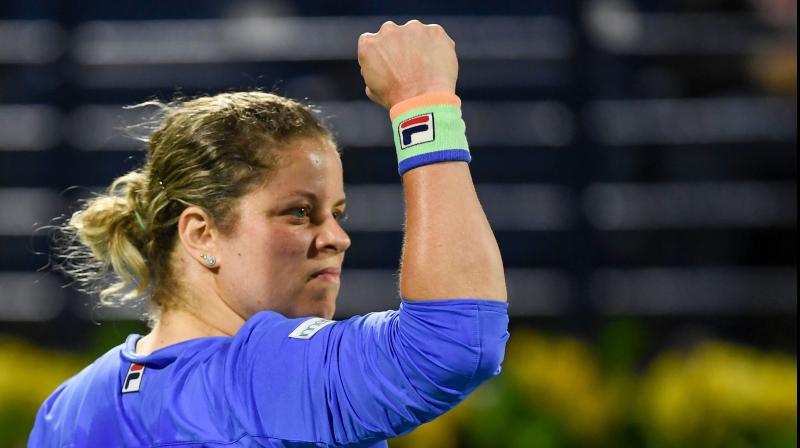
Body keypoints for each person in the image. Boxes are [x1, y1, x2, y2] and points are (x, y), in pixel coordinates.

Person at [29, 19, 509, 447]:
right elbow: (456, 339)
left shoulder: (66, 410)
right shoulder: (257, 379)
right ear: (202, 235)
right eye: (300, 213)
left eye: (336, 213)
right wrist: (422, 101)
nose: (336, 239)